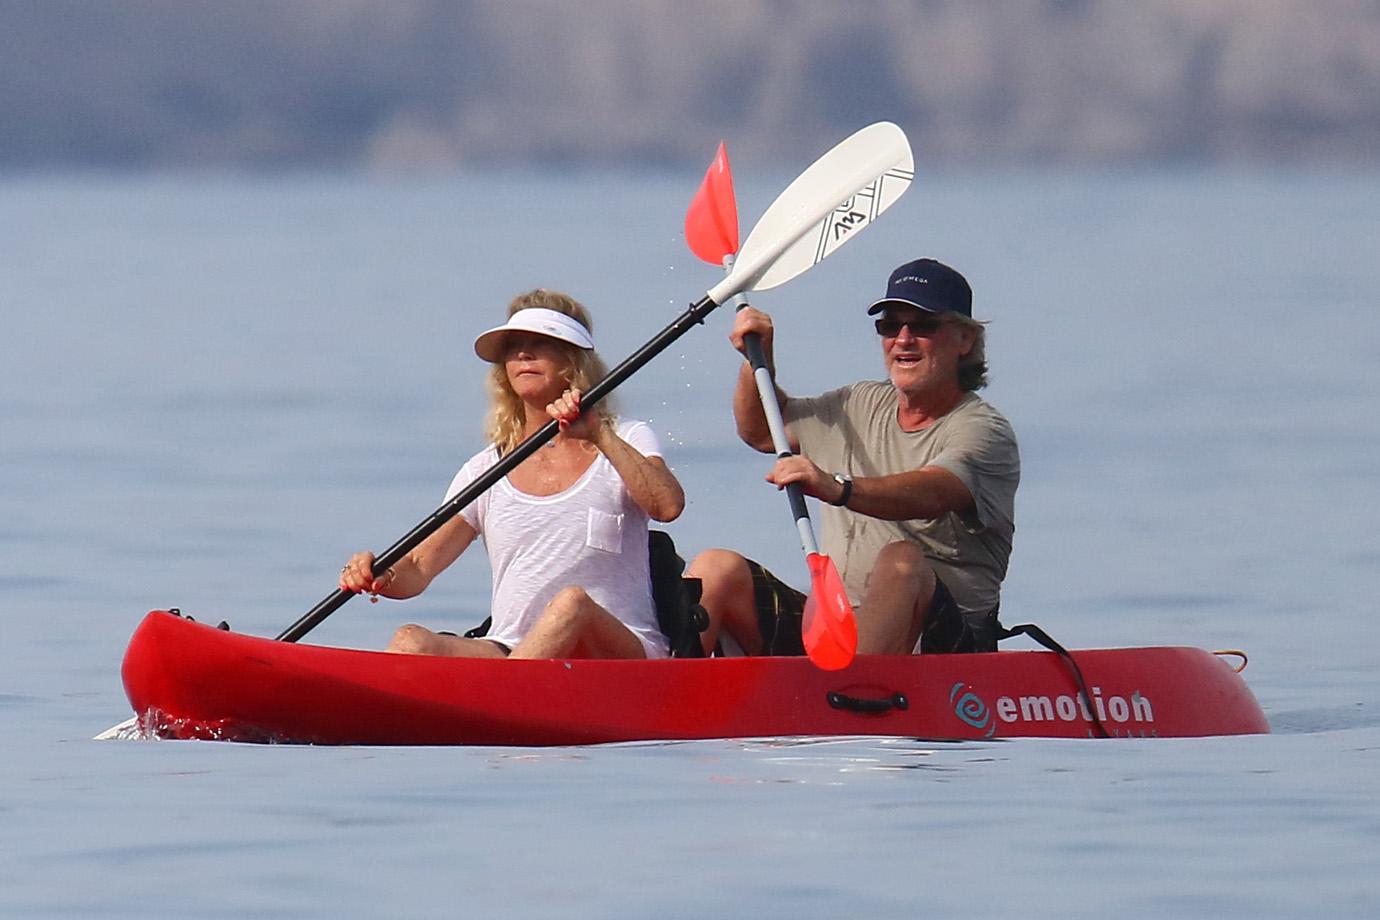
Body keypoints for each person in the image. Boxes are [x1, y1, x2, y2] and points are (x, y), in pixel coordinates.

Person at [687, 258, 1018, 657]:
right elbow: (761, 430)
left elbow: (934, 491)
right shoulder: (858, 403)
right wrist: (756, 360)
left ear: (964, 340)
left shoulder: (983, 430)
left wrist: (837, 488)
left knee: (902, 561)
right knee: (716, 568)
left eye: (924, 326)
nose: (904, 339)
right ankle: (666, 693)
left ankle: (853, 698)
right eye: (890, 326)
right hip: (837, 626)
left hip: (946, 647)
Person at [339, 289, 686, 659]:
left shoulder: (625, 437)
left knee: (572, 604)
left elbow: (667, 506)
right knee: (411, 640)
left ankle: (496, 700)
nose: (522, 354)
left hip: (621, 655)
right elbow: (420, 567)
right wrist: (378, 574)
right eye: (513, 346)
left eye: (540, 343)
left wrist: (599, 434)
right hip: (514, 648)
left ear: (573, 361)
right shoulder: (485, 469)